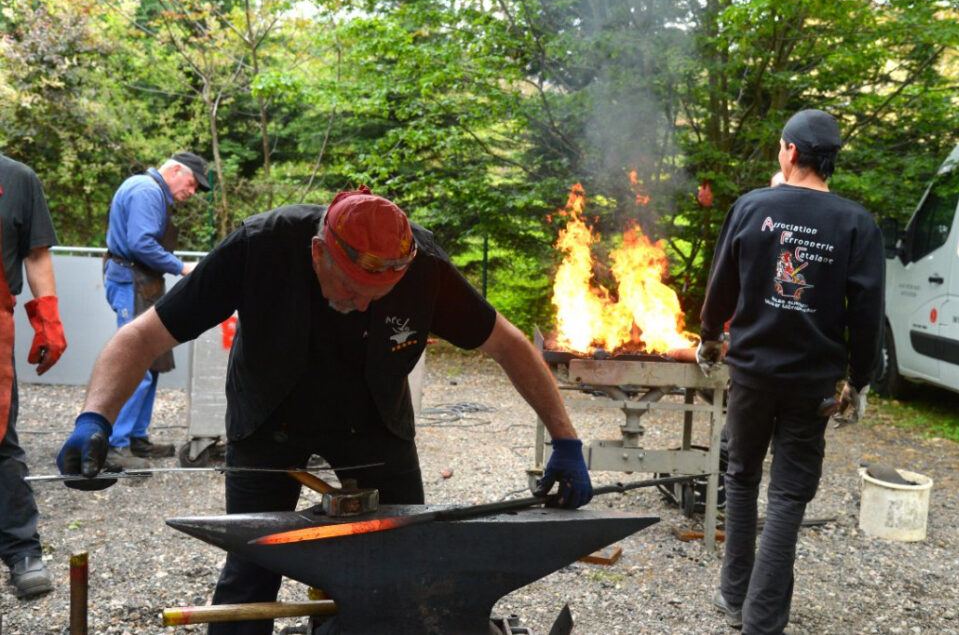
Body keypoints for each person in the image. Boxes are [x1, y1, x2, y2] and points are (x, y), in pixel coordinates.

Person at [57, 185, 593, 634]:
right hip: (269, 414)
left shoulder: (425, 269)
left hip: (372, 417)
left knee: (403, 556)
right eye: (353, 291)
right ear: (318, 253)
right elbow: (143, 337)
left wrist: (566, 442)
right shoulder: (260, 247)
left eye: (379, 298)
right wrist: (94, 420)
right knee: (253, 563)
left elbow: (510, 346)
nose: (363, 306)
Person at [696, 109, 884, 634]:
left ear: (790, 153)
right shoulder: (856, 224)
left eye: (781, 145)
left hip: (752, 373)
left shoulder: (752, 207)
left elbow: (721, 285)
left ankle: (736, 597)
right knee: (786, 496)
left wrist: (710, 338)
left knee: (743, 475)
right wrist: (860, 379)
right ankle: (760, 619)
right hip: (812, 383)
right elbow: (868, 311)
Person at [102, 152, 209, 467]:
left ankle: (136, 438)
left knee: (150, 360)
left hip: (143, 281)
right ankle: (114, 445)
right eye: (191, 184)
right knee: (134, 360)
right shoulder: (147, 191)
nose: (191, 192)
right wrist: (182, 267)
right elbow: (141, 244)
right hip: (131, 280)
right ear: (174, 169)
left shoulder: (149, 190)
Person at [0, 152, 67, 598]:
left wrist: (48, 319)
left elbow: (36, 253)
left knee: (1, 438)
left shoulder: (18, 178)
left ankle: (22, 549)